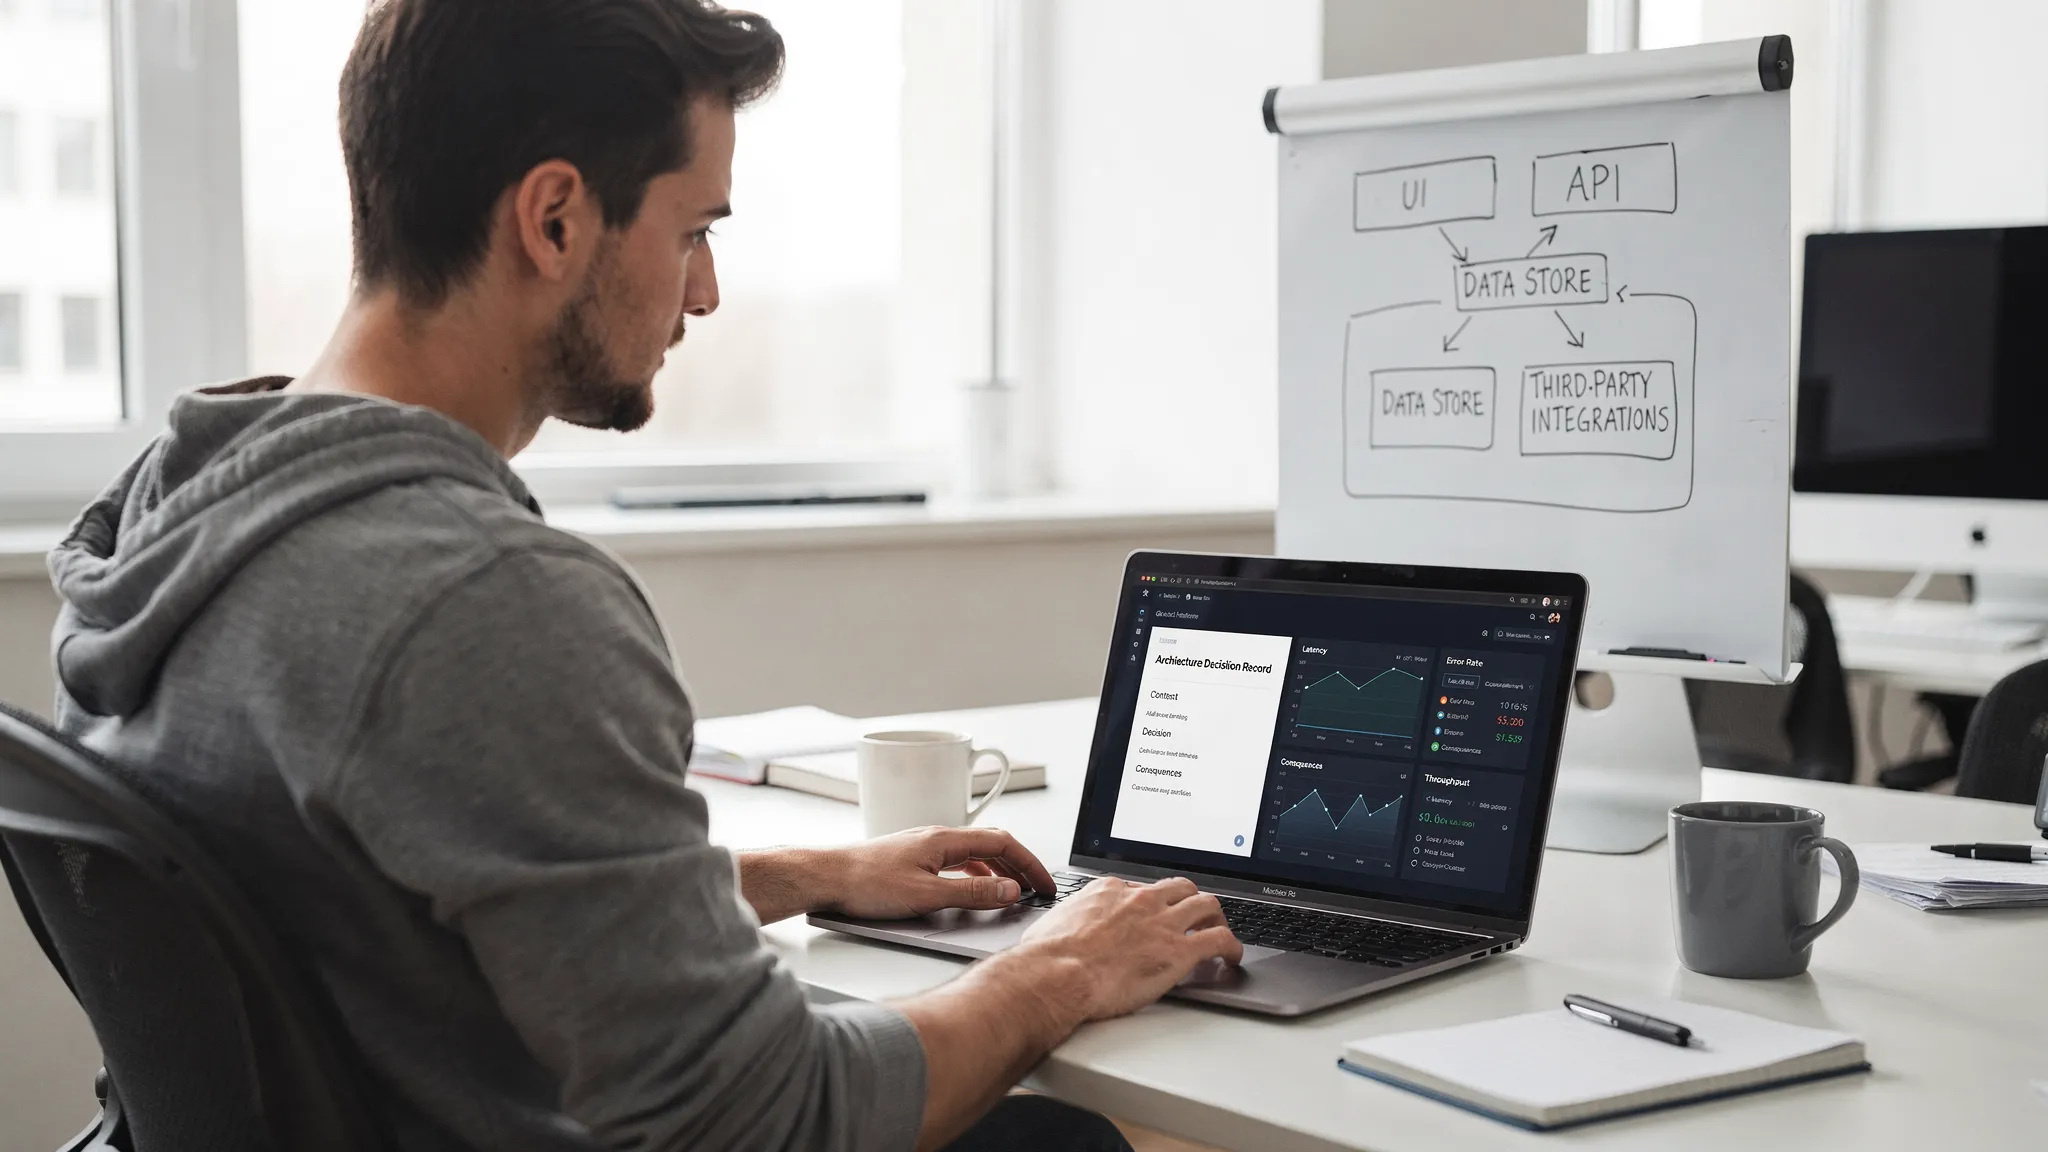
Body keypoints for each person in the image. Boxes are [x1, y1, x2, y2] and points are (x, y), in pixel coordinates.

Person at [43, 1, 1241, 1150]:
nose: (706, 291)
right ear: (555, 218)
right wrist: (1065, 964)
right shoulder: (479, 602)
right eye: (695, 230)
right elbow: (769, 1122)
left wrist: (795, 875)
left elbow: (369, 911)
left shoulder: (177, 514)